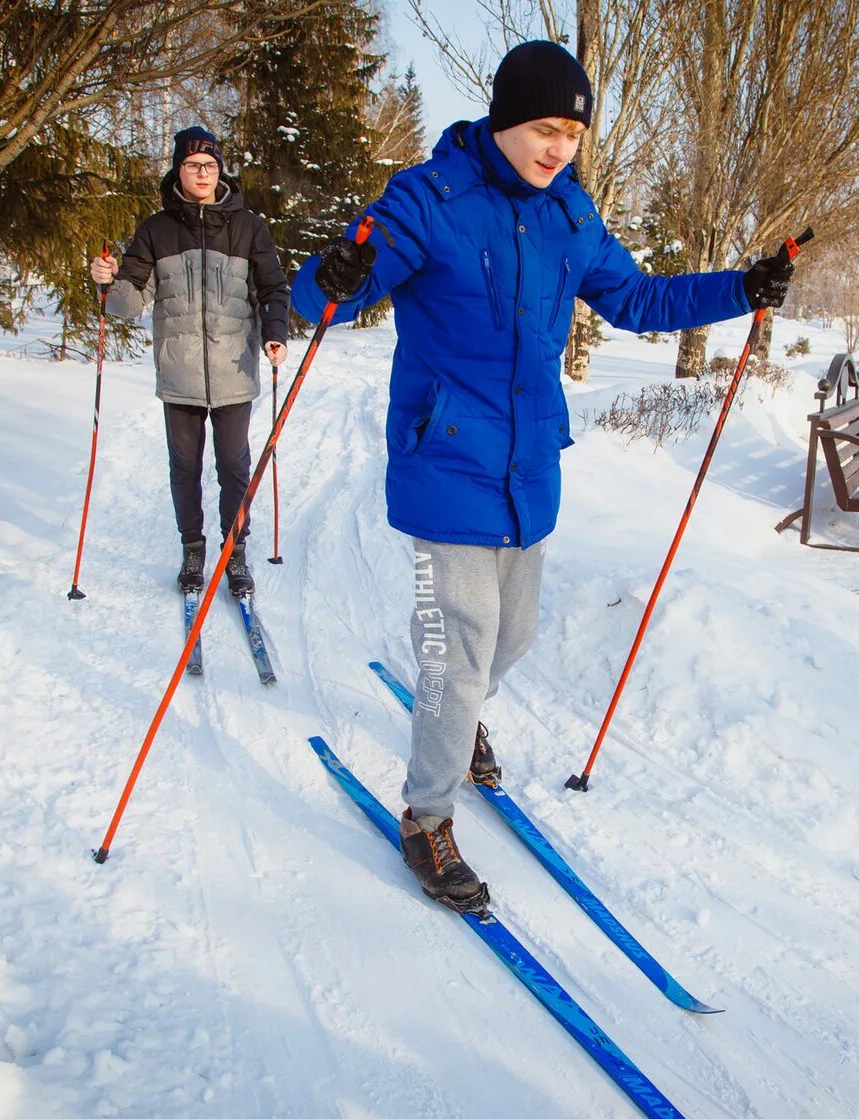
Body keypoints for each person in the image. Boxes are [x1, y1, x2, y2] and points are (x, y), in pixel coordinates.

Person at [291, 40, 796, 908]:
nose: (558, 146)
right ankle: (426, 813)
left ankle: (456, 717)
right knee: (458, 647)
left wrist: (741, 287)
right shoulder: (431, 197)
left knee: (511, 636)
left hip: (527, 464)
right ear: (503, 118)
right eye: (542, 127)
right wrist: (329, 278)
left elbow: (640, 302)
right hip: (445, 453)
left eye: (571, 131)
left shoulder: (570, 215)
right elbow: (330, 292)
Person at [89, 126, 290, 598]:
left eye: (211, 165)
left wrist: (275, 333)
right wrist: (106, 282)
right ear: (178, 170)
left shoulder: (249, 227)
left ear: (220, 171)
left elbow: (273, 288)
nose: (203, 173)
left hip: (234, 371)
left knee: (234, 467)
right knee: (185, 466)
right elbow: (128, 303)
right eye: (194, 165)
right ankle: (193, 547)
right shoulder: (156, 230)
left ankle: (234, 550)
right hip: (179, 373)